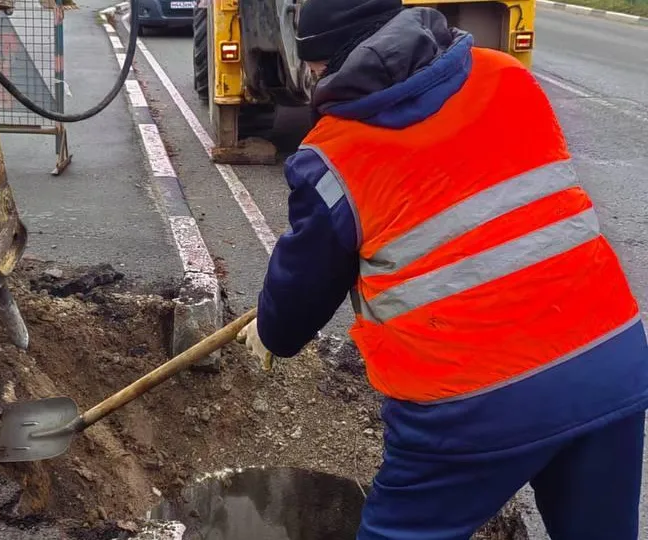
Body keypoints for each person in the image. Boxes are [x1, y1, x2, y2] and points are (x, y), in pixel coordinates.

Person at [235, 0, 648, 538]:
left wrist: (271, 330)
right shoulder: (507, 76)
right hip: (609, 363)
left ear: (325, 61)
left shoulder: (333, 156)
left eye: (310, 64)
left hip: (472, 405)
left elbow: (301, 293)